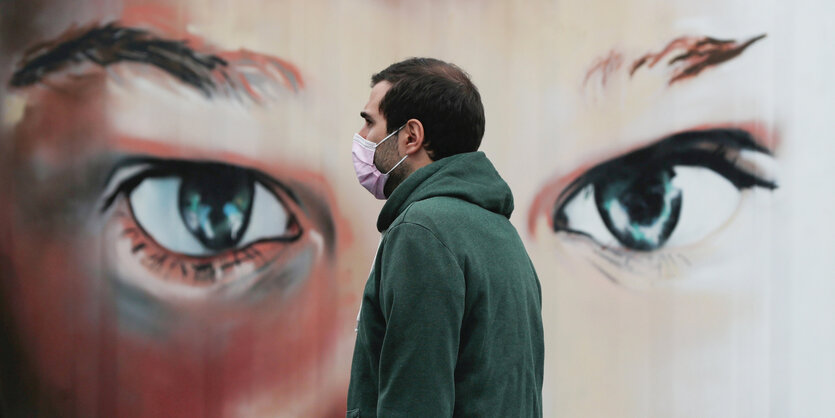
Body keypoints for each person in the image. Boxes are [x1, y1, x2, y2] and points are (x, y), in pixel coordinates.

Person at [346, 58, 544, 417]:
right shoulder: (502, 233)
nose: (361, 137)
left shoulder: (421, 232)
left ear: (410, 136)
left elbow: (414, 401)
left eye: (369, 121)